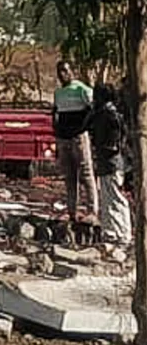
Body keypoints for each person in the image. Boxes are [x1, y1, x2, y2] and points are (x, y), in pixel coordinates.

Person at [54, 61, 98, 222]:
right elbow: (56, 113)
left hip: (78, 137)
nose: (62, 74)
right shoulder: (58, 93)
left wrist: (83, 129)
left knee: (86, 173)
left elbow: (93, 110)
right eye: (59, 71)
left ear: (73, 71)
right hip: (63, 138)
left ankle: (93, 210)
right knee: (69, 176)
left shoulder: (82, 89)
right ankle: (72, 211)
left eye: (65, 70)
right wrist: (57, 133)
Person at [89, 84, 132, 245]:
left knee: (115, 197)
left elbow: (116, 141)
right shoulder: (103, 114)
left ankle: (123, 233)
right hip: (107, 162)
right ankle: (111, 232)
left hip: (112, 162)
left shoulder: (110, 115)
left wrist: (109, 149)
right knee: (107, 198)